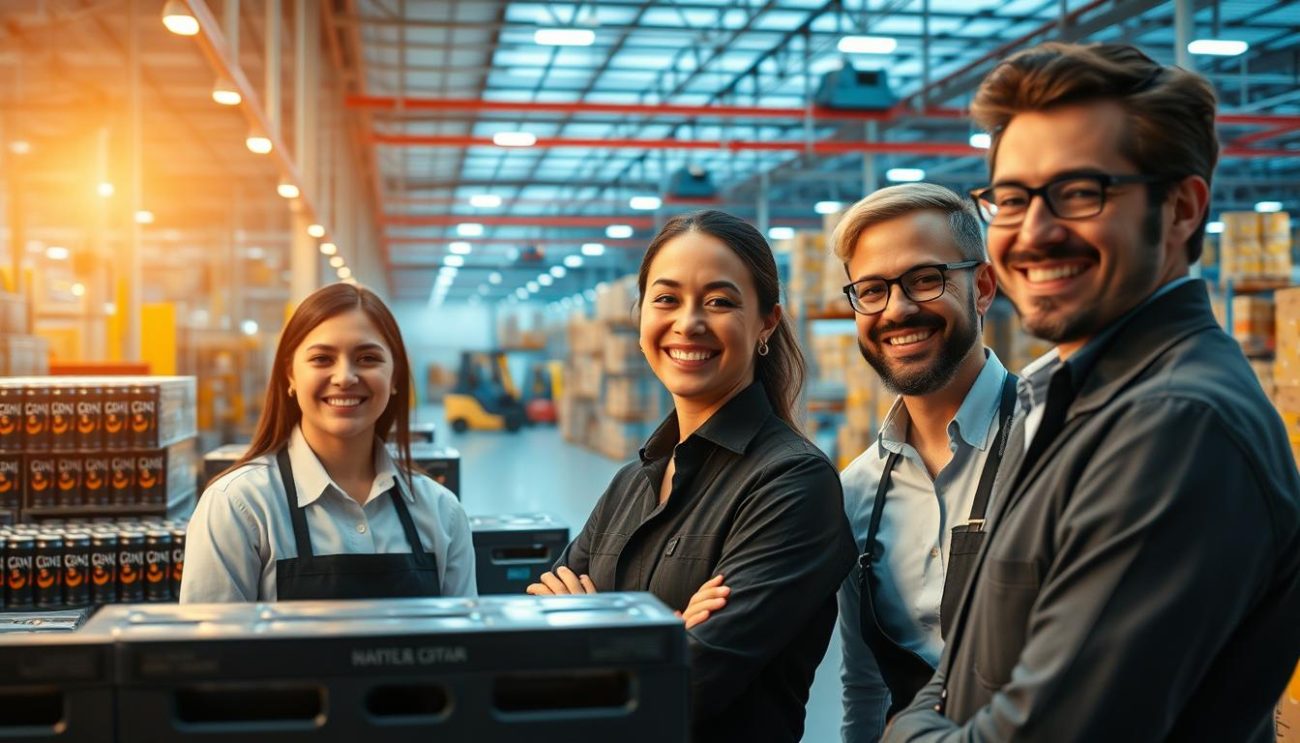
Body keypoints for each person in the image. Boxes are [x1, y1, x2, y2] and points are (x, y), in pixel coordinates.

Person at [886, 42, 1300, 741]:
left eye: (1080, 192)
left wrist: (903, 730)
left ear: (1181, 208)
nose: (1035, 231)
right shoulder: (1064, 398)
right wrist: (929, 710)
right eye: (1011, 198)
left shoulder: (1173, 427)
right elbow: (965, 664)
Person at [527, 210, 857, 741]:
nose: (688, 322)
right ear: (641, 320)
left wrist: (592, 619)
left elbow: (682, 690)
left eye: (720, 301)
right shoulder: (629, 484)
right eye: (666, 299)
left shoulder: (793, 484)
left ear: (766, 323)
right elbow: (526, 646)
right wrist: (660, 633)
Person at [827, 183, 1016, 742]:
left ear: (981, 287)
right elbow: (864, 686)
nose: (897, 309)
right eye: (872, 290)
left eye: (925, 279)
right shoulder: (856, 491)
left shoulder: (1056, 441)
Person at [182, 282, 476, 602]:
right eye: (322, 358)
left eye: (367, 358)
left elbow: (465, 649)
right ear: (290, 376)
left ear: (394, 378)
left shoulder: (442, 513)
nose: (345, 377)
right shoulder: (238, 507)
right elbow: (213, 651)